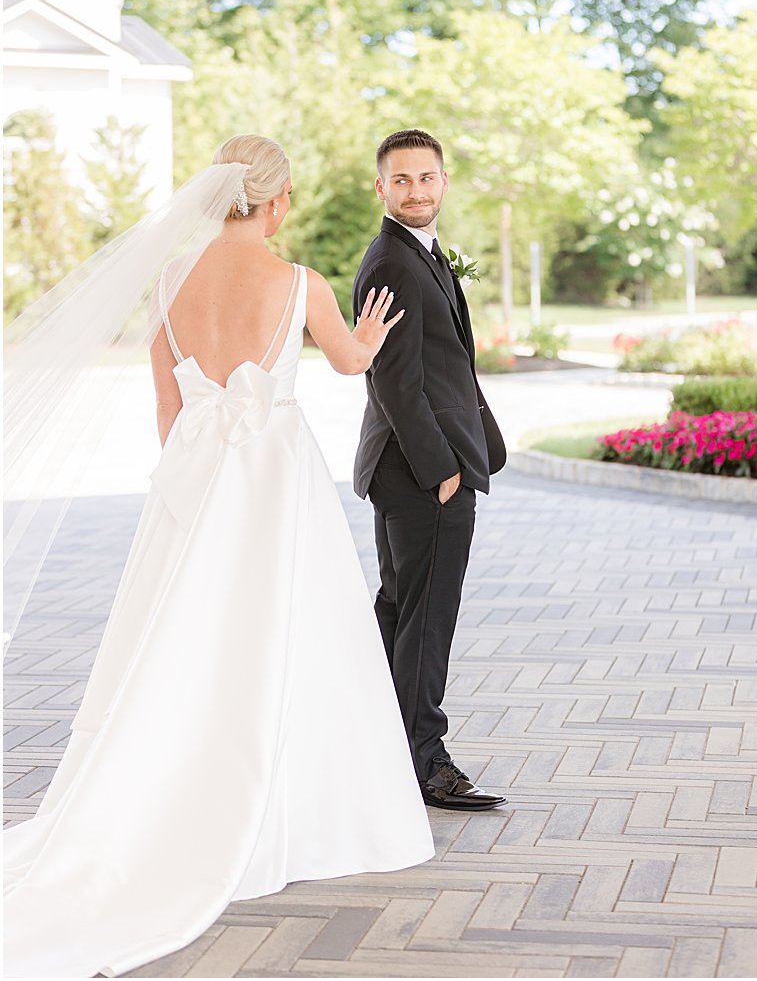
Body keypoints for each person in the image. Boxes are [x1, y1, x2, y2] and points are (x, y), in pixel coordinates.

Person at [3, 135, 435, 978]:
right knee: (289, 631)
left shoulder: (168, 282)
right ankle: (288, 797)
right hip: (275, 480)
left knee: (178, 639)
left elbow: (167, 411)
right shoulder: (298, 281)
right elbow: (348, 362)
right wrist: (372, 330)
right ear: (276, 203)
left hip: (195, 477)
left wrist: (194, 477)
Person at [352, 128, 508, 812]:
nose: (415, 189)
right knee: (425, 619)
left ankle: (382, 749)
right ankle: (427, 762)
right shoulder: (391, 262)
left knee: (400, 612)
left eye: (426, 177)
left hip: (406, 470)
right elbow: (394, 379)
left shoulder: (420, 254)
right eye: (401, 179)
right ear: (381, 187)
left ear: (443, 181)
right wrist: (443, 469)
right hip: (423, 472)